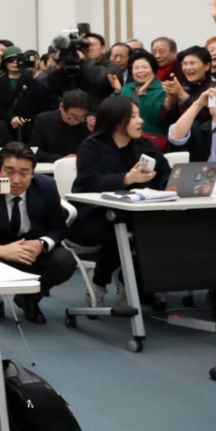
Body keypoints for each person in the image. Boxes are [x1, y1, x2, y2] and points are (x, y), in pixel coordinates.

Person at [70, 97, 171, 306]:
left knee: (155, 227)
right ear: (116, 122)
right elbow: (90, 182)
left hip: (136, 213)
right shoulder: (92, 146)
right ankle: (100, 281)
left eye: (139, 115)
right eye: (133, 117)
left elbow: (164, 173)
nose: (140, 121)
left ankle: (130, 280)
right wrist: (126, 179)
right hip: (94, 215)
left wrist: (172, 186)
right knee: (121, 228)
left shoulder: (144, 145)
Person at [0, 142, 76, 324]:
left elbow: (58, 228)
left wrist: (41, 244)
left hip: (31, 250)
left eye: (24, 173)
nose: (16, 180)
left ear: (33, 173)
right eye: (9, 172)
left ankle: (29, 297)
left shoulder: (46, 186)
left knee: (65, 261)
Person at [0, 46, 47, 140]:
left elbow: (41, 106)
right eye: (10, 60)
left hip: (29, 129)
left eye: (18, 60)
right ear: (5, 63)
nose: (15, 62)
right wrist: (10, 118)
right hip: (6, 129)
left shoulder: (33, 83)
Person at [117, 50, 168, 149]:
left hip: (153, 142)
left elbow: (156, 118)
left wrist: (143, 95)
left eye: (145, 67)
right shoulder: (126, 88)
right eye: (136, 68)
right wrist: (117, 92)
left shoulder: (163, 89)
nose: (140, 71)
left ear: (153, 70)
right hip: (126, 140)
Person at [30, 90, 91, 162]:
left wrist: (94, 132)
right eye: (73, 116)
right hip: (52, 166)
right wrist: (60, 159)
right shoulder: (43, 120)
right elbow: (35, 151)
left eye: (82, 117)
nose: (77, 121)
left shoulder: (89, 123)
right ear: (61, 107)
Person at [159, 46, 212, 126]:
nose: (188, 68)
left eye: (192, 63)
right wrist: (170, 99)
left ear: (207, 66)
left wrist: (181, 94)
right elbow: (165, 119)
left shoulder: (214, 88)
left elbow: (204, 117)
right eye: (185, 64)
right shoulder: (183, 86)